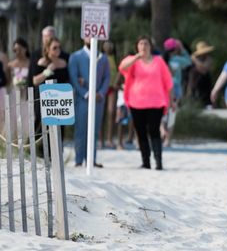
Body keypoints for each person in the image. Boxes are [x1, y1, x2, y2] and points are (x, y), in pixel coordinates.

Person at [119, 36, 173, 170]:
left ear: (150, 46)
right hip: (136, 102)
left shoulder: (159, 61)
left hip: (156, 102)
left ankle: (158, 161)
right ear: (137, 46)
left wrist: (172, 101)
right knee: (141, 132)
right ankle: (146, 162)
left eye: (146, 43)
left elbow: (168, 82)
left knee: (154, 131)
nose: (143, 46)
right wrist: (137, 57)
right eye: (141, 43)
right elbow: (122, 67)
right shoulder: (133, 60)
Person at [68, 36, 110, 168]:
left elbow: (107, 77)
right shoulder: (75, 57)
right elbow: (74, 78)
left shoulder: (103, 58)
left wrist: (101, 93)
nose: (91, 37)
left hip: (98, 100)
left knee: (95, 130)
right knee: (81, 129)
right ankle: (79, 159)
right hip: (82, 99)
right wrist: (85, 94)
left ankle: (91, 159)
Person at [162, 38, 192, 146]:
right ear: (175, 49)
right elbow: (189, 61)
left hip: (164, 89)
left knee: (163, 113)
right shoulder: (178, 59)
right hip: (175, 88)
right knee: (172, 113)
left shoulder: (161, 60)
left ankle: (163, 133)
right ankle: (167, 139)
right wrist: (183, 49)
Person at [8, 38, 31, 138]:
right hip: (14, 94)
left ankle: (26, 141)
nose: (17, 52)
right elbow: (7, 81)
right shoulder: (11, 65)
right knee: (13, 118)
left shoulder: (31, 63)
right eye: (15, 50)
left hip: (26, 95)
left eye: (19, 49)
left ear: (25, 49)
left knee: (26, 119)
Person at [101, 41, 119, 149]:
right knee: (101, 114)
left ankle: (109, 139)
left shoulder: (115, 58)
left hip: (112, 88)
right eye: (106, 45)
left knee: (111, 113)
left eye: (110, 44)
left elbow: (119, 71)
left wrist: (117, 83)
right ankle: (101, 140)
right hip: (102, 88)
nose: (109, 46)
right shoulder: (99, 57)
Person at [186, 41, 215, 105]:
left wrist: (195, 60)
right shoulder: (192, 62)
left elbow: (204, 70)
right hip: (195, 85)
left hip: (205, 85)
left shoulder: (209, 59)